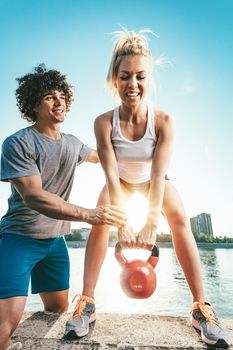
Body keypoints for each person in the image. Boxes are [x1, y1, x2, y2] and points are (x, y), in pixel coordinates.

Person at [65, 28, 229, 348]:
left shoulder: (164, 121)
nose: (133, 85)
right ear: (115, 78)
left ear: (149, 79)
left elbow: (159, 174)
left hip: (155, 181)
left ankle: (200, 306)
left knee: (180, 218)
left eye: (140, 76)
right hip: (120, 182)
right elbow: (111, 174)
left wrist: (152, 220)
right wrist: (122, 221)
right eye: (125, 76)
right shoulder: (102, 123)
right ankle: (87, 301)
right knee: (100, 221)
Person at [0, 64, 127, 350]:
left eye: (62, 96)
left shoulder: (73, 144)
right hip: (19, 240)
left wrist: (145, 163)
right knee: (3, 327)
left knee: (56, 313)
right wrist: (90, 214)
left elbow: (107, 157)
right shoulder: (18, 143)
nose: (59, 101)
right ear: (33, 104)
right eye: (49, 96)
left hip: (55, 244)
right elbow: (34, 196)